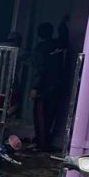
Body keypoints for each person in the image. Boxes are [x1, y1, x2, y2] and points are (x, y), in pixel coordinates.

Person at [30, 22, 64, 151]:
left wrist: (35, 87)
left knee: (40, 116)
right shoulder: (58, 45)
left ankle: (41, 145)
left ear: (39, 34)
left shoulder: (40, 48)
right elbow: (64, 39)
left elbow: (40, 69)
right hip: (57, 86)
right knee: (49, 116)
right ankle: (43, 142)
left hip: (44, 89)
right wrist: (63, 25)